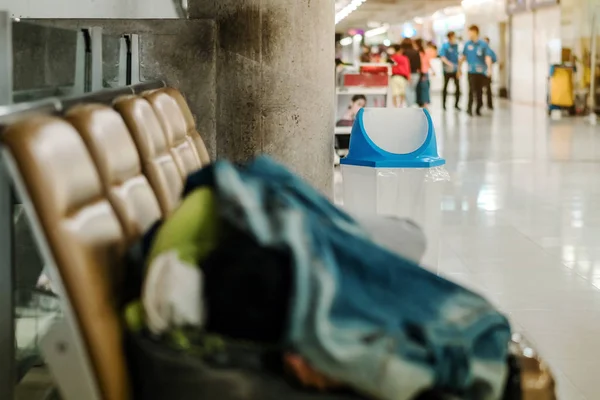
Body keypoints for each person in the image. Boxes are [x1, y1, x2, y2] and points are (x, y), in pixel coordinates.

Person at [459, 25, 493, 116]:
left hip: (481, 72)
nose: (469, 34)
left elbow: (488, 57)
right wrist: (459, 69)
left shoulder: (483, 44)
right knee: (471, 90)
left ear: (475, 32)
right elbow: (463, 57)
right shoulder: (467, 44)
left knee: (479, 91)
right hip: (471, 72)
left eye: (470, 32)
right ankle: (469, 108)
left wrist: (489, 70)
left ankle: (478, 108)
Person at [439, 31, 461, 111]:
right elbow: (442, 57)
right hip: (447, 71)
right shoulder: (445, 46)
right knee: (445, 87)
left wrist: (459, 69)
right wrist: (450, 64)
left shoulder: (456, 46)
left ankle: (456, 104)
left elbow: (459, 58)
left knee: (458, 87)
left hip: (455, 70)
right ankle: (444, 105)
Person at [400, 38, 421, 107]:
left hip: (406, 74)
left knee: (407, 90)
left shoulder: (403, 53)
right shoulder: (416, 52)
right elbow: (419, 64)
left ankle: (410, 105)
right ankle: (412, 105)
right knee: (413, 90)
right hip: (415, 74)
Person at [414, 38, 435, 108]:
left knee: (422, 88)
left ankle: (423, 104)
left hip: (421, 72)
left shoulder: (419, 53)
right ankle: (424, 103)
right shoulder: (425, 52)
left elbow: (424, 63)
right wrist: (432, 70)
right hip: (425, 72)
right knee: (424, 88)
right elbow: (428, 63)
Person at [484, 37, 498, 110]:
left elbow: (494, 59)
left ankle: (490, 104)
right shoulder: (479, 49)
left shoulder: (490, 51)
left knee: (488, 88)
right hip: (480, 73)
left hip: (487, 72)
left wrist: (489, 65)